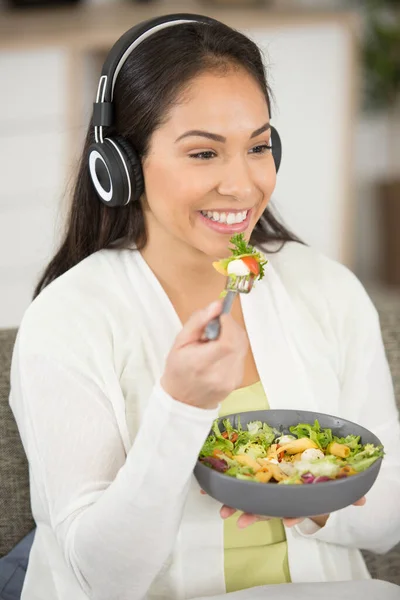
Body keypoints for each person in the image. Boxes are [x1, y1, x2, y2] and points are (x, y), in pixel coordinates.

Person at [9, 12, 400, 600]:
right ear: (119, 169)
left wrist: (306, 496)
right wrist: (180, 407)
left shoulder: (325, 288)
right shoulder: (69, 320)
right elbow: (103, 578)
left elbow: (388, 513)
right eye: (203, 154)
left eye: (258, 146)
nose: (243, 185)